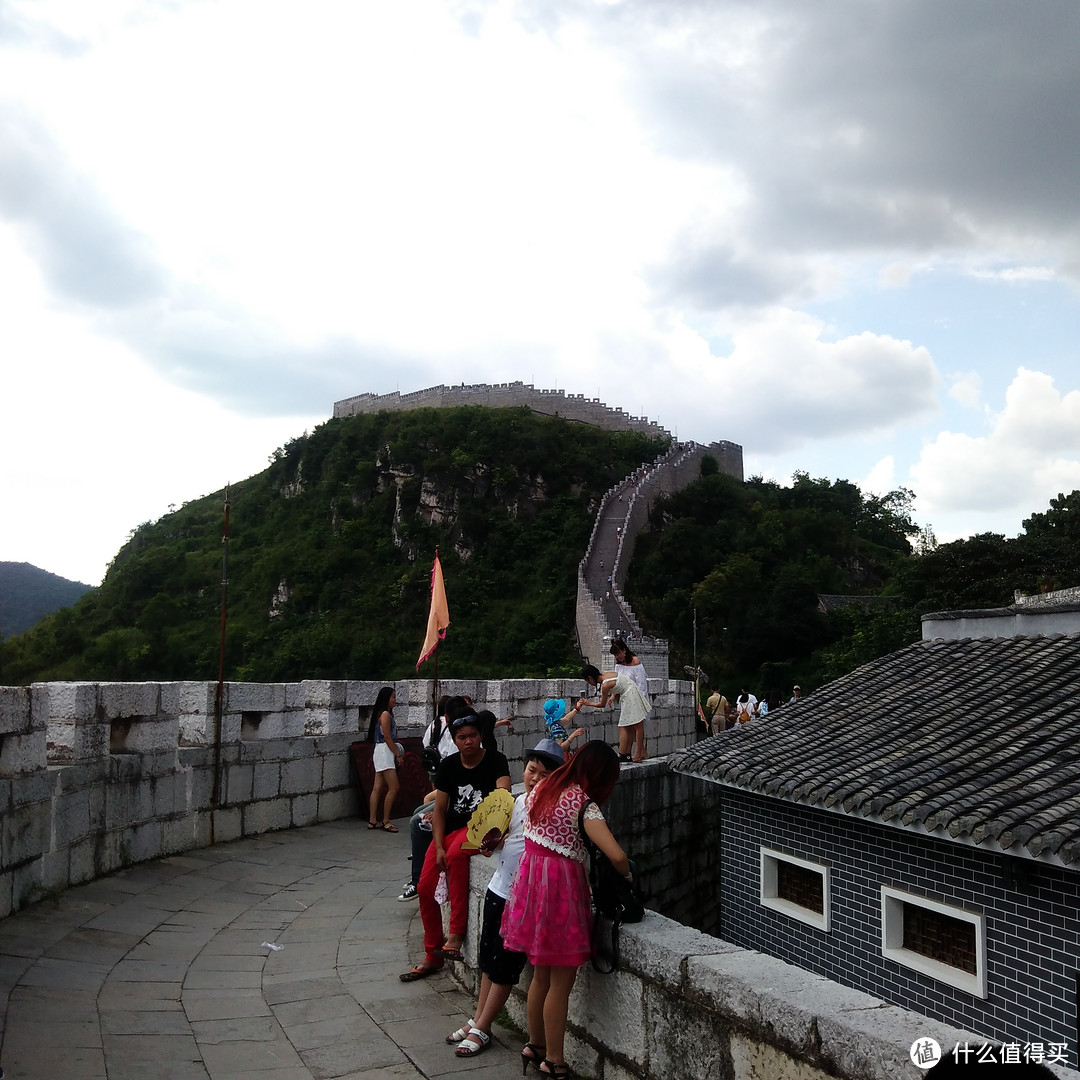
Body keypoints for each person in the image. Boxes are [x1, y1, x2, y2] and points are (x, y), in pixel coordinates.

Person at [501, 741, 629, 1079]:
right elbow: (615, 856)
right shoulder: (583, 805)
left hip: (531, 883)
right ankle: (555, 1060)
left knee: (540, 976)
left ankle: (535, 1044)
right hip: (560, 888)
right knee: (561, 981)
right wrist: (628, 873)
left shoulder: (543, 787)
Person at [446, 737, 566, 1058]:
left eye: (545, 775)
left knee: (504, 967)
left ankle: (484, 1027)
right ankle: (478, 1018)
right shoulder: (514, 802)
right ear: (523, 771)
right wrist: (490, 844)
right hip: (499, 890)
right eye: (531, 770)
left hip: (524, 900)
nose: (535, 779)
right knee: (489, 961)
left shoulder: (555, 811)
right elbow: (501, 841)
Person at [400, 712, 511, 981]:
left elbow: (504, 797)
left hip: (480, 828)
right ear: (455, 740)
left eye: (473, 736)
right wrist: (436, 845)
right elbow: (439, 810)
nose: (468, 741)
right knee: (425, 886)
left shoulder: (496, 760)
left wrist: (497, 831)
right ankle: (432, 953)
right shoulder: (449, 765)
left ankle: (456, 935)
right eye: (462, 737)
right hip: (451, 829)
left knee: (455, 856)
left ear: (480, 736)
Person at [367, 687, 405, 832]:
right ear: (386, 699)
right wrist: (398, 754)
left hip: (380, 750)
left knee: (377, 787)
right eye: (393, 697)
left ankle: (372, 820)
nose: (395, 700)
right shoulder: (385, 715)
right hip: (385, 751)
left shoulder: (381, 714)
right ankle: (386, 820)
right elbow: (388, 737)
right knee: (394, 787)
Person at [611, 638, 649, 761]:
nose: (618, 657)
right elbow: (617, 682)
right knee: (630, 726)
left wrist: (640, 702)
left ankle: (638, 752)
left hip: (637, 697)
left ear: (624, 651)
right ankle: (643, 752)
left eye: (618, 654)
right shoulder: (619, 666)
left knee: (638, 726)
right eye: (616, 655)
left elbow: (642, 684)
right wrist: (612, 695)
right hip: (625, 699)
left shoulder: (635, 662)